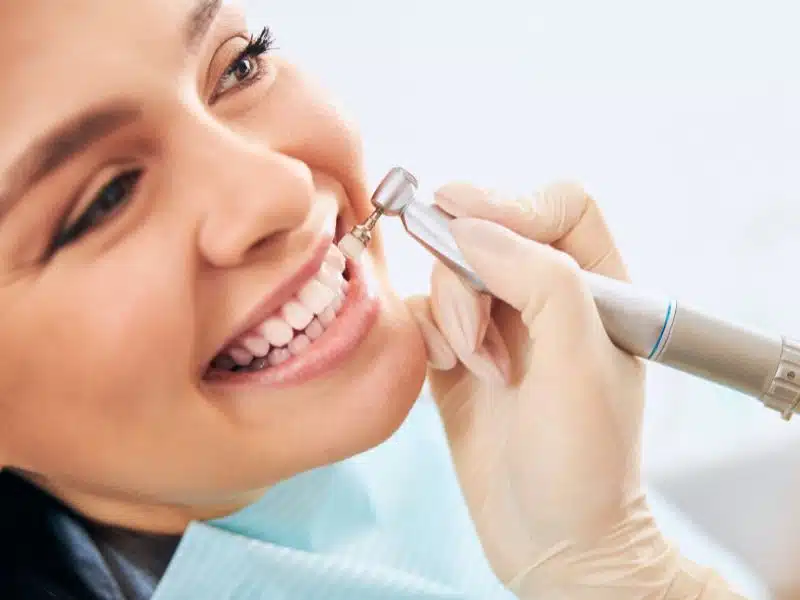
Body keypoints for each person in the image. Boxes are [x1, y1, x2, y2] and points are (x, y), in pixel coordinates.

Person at [0, 1, 747, 598]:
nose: (281, 186)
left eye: (239, 65)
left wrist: (617, 564)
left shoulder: (486, 418)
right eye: (106, 200)